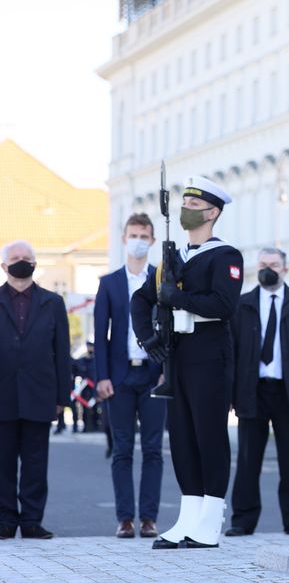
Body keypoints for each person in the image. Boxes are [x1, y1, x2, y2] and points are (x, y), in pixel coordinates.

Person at [131, 176, 243, 549]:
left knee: (209, 436)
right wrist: (147, 338)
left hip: (211, 355)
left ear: (212, 212)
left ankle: (210, 520)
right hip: (178, 358)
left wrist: (178, 298)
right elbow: (140, 300)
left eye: (195, 207)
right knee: (181, 439)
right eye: (184, 205)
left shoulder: (225, 255)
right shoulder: (175, 258)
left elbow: (224, 305)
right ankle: (188, 516)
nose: (186, 211)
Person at [227, 247, 289, 536]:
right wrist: (231, 393)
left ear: (284, 269)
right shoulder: (243, 304)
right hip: (252, 390)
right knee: (247, 459)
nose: (266, 269)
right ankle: (242, 519)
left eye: (272, 264)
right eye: (262, 264)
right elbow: (231, 351)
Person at [94, 213, 166, 539]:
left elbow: (171, 331)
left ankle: (149, 518)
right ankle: (125, 518)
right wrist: (102, 377)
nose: (138, 240)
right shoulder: (109, 284)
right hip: (121, 378)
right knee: (122, 450)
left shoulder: (162, 280)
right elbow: (100, 333)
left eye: (144, 235)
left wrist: (168, 372)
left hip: (154, 377)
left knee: (152, 450)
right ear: (124, 238)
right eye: (133, 234)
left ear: (152, 240)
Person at [0, 240, 69, 540]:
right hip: (3, 393)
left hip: (40, 393)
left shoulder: (53, 303)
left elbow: (62, 352)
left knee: (36, 462)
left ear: (35, 264)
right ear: (4, 265)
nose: (21, 261)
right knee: (2, 463)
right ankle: (4, 520)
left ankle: (31, 520)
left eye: (26, 258)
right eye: (15, 258)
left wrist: (62, 397)